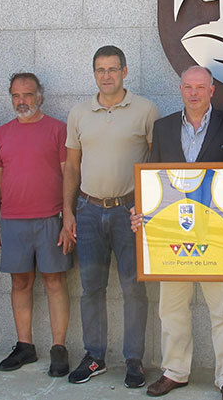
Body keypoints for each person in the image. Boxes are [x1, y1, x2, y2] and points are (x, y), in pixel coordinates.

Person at [131, 65, 223, 400]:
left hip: (216, 235)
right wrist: (141, 211)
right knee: (171, 308)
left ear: (212, 90)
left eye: (200, 87)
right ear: (180, 89)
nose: (194, 93)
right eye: (188, 86)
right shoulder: (164, 127)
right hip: (171, 235)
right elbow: (153, 178)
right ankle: (174, 372)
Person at [63, 45, 159, 387]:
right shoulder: (79, 113)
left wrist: (147, 208)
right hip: (88, 211)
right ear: (94, 73)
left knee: (134, 289)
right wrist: (68, 212)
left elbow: (157, 162)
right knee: (91, 288)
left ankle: (134, 360)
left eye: (113, 69)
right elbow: (71, 167)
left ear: (124, 72)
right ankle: (94, 357)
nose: (106, 76)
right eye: (100, 70)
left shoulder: (146, 110)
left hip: (129, 212)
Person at [0, 72, 73, 376]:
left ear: (40, 96)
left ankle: (58, 347)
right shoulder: (1, 134)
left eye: (28, 94)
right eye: (16, 95)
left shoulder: (58, 130)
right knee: (20, 283)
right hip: (12, 221)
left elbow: (69, 176)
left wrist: (68, 217)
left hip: (51, 219)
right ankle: (25, 346)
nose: (22, 100)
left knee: (54, 281)